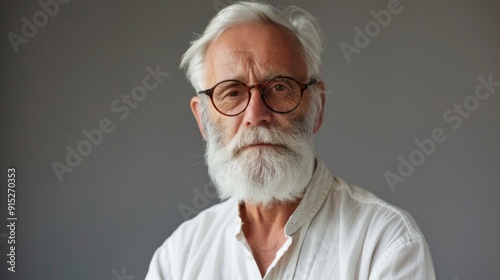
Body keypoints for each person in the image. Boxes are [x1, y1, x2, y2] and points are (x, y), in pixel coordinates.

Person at [146, 2, 436, 279]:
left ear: (317, 107)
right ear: (203, 120)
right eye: (232, 92)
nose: (256, 114)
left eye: (279, 87)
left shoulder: (385, 242)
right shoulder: (178, 258)